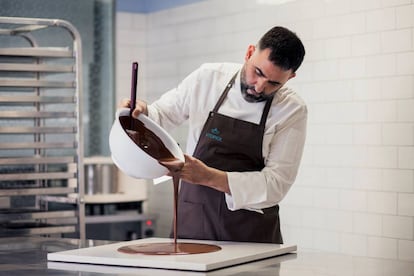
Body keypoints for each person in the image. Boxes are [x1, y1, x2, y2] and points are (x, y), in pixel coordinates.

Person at [122, 26, 306, 244]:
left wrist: (209, 177)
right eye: (257, 72)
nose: (259, 87)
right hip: (193, 222)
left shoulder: (291, 110)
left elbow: (276, 185)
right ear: (248, 53)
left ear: (290, 77)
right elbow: (161, 114)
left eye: (273, 83)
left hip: (250, 234)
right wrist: (142, 110)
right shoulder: (208, 78)